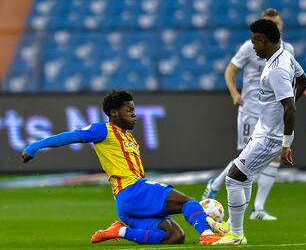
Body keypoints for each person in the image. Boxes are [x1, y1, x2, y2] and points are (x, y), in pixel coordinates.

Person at [21, 90, 226, 245]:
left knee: (175, 236)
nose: (134, 115)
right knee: (187, 201)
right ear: (114, 113)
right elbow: (71, 136)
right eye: (129, 111)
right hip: (133, 190)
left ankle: (119, 232)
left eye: (134, 110)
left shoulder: (128, 137)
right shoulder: (103, 130)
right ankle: (207, 235)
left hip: (128, 203)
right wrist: (35, 146)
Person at [202, 8, 306, 220]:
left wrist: (293, 98)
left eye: (277, 23)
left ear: (279, 28)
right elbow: (230, 70)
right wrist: (235, 93)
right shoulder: (249, 47)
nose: (255, 43)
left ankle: (257, 209)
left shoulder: (286, 52)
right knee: (243, 164)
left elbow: (293, 82)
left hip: (270, 117)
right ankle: (216, 186)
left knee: (263, 163)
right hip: (251, 110)